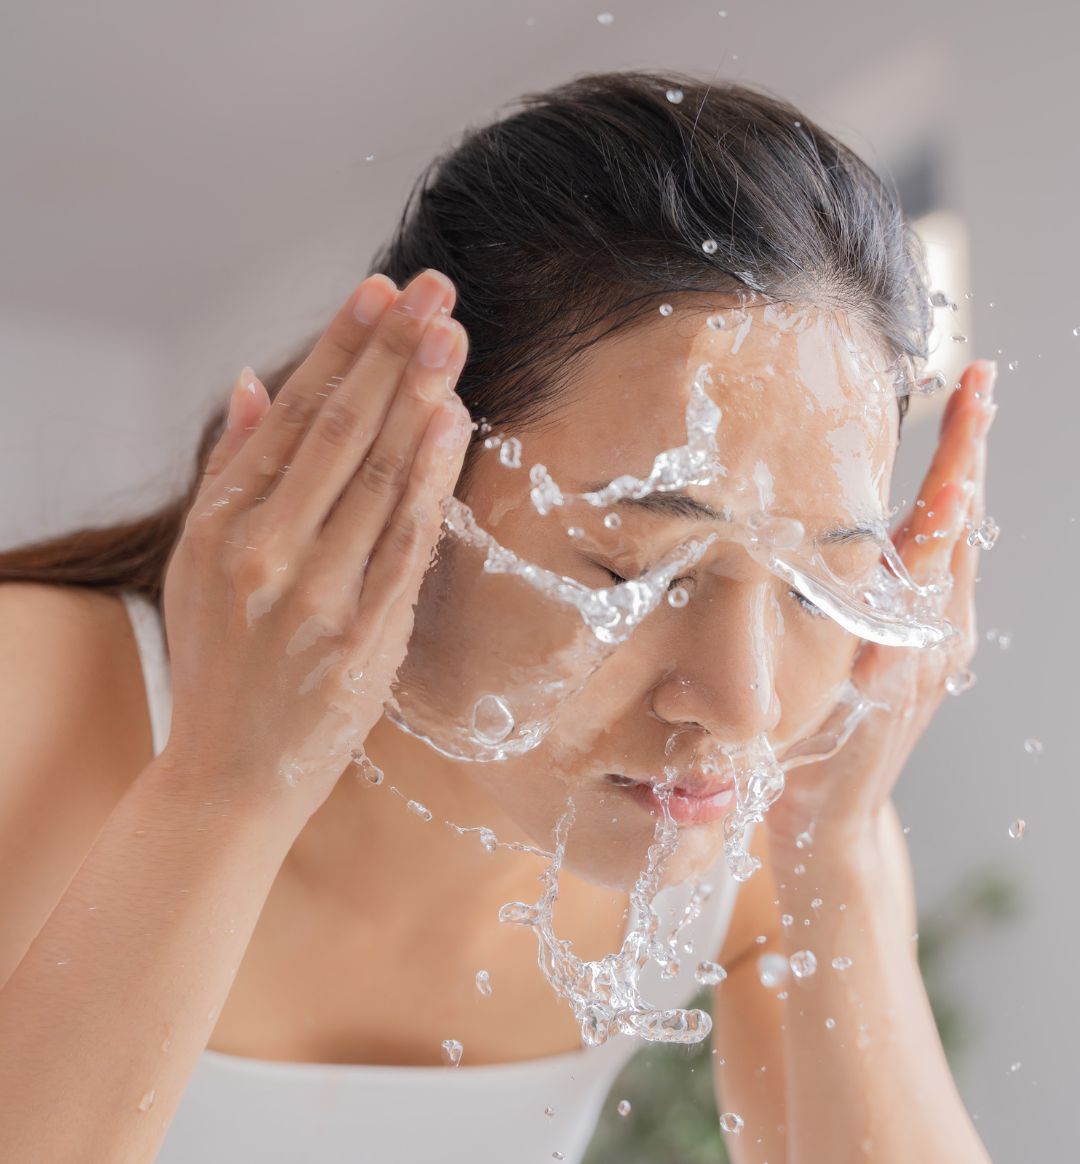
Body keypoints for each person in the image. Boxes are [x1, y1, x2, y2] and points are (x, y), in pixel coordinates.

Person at [0, 70, 995, 1163]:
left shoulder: (758, 824)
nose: (742, 703)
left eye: (819, 584)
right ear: (398, 470)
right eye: (633, 570)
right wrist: (225, 787)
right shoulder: (33, 703)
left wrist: (837, 849)